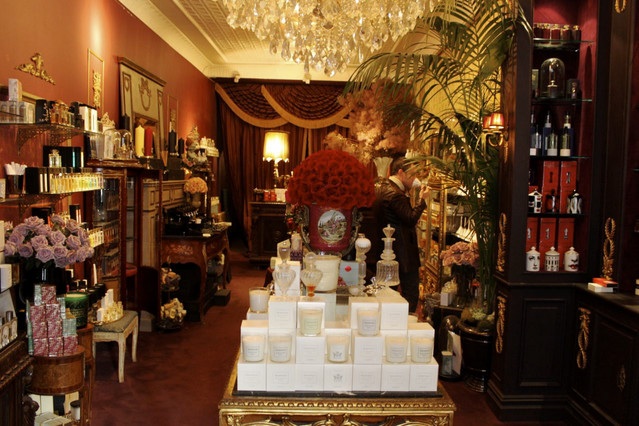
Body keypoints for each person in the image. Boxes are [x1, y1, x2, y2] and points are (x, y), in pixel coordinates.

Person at [372, 157, 428, 313]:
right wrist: (422, 200)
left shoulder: (383, 187)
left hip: (389, 248)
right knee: (410, 294)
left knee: (388, 293)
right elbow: (410, 218)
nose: (415, 178)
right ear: (401, 172)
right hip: (402, 252)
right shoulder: (395, 194)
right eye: (413, 174)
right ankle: (405, 320)